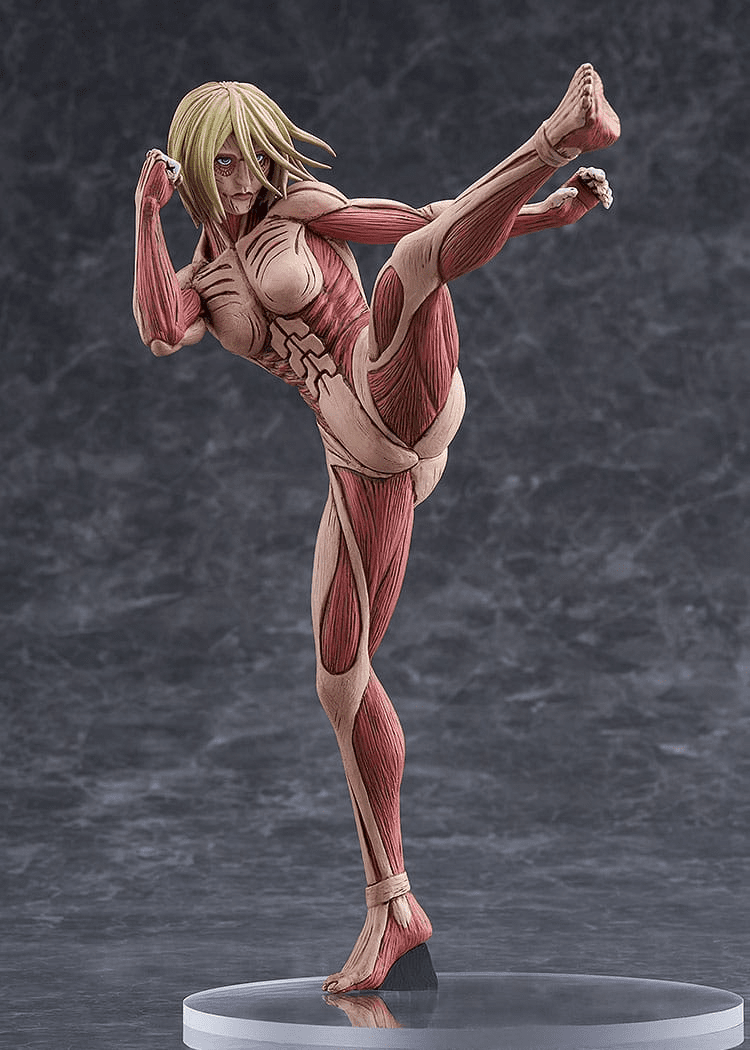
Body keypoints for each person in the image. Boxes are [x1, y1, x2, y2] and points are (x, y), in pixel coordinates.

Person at [133, 66, 619, 993]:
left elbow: (417, 223)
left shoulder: (300, 211)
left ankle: (558, 134)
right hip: (358, 461)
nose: (242, 179)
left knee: (409, 269)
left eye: (252, 158)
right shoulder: (200, 275)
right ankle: (393, 906)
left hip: (394, 380)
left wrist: (547, 214)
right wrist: (146, 213)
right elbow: (160, 329)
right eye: (222, 163)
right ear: (190, 166)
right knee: (339, 677)